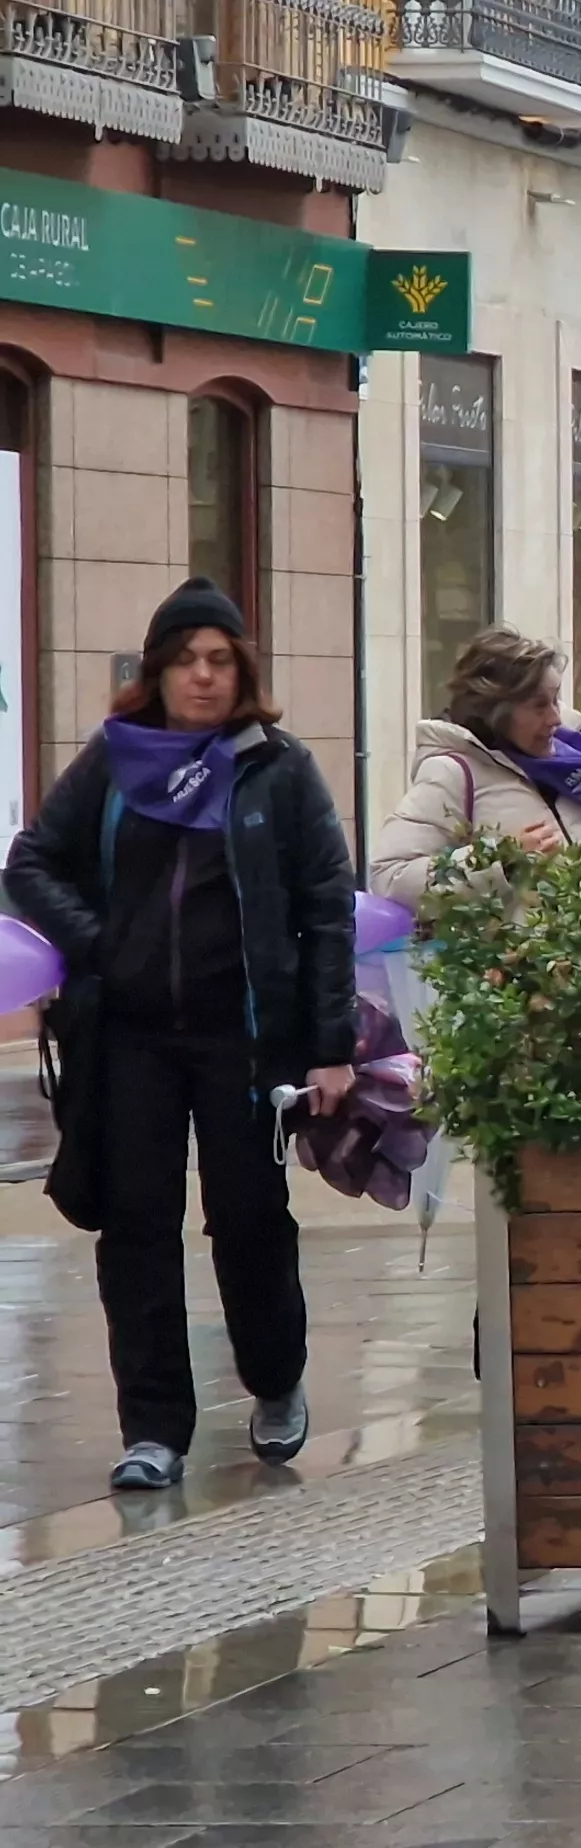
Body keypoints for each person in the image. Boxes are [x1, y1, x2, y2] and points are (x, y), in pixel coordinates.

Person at [8, 581, 357, 1492]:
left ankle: (275, 1380)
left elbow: (326, 909)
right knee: (135, 1230)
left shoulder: (276, 769)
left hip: (243, 1041)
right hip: (129, 1040)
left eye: (220, 660)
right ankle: (154, 1426)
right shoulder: (115, 763)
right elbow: (31, 859)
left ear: (241, 672)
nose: (203, 677)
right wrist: (97, 948)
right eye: (186, 660)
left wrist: (330, 1047)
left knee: (248, 1220)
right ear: (157, 672)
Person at [369, 569, 581, 907]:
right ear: (495, 710)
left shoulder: (575, 745)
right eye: (538, 706)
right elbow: (390, 877)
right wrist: (501, 859)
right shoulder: (454, 772)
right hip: (514, 963)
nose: (554, 717)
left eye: (554, 699)